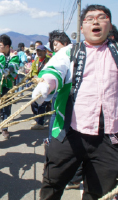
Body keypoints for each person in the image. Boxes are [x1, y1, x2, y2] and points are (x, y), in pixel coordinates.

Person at [32, 4, 118, 199]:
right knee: (52, 182)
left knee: (99, 191)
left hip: (108, 136)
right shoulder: (71, 51)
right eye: (89, 19)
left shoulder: (116, 52)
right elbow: (55, 69)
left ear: (110, 25)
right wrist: (46, 83)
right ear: (82, 28)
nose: (95, 21)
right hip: (70, 132)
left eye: (102, 17)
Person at [0, 34, 20, 139]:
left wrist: (9, 70)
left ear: (7, 47)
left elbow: (14, 65)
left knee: (7, 107)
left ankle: (5, 128)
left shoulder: (13, 56)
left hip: (8, 85)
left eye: (0, 45)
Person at [29, 45, 50, 130]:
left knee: (42, 103)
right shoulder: (36, 61)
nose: (39, 53)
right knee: (34, 102)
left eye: (41, 51)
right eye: (38, 51)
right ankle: (37, 119)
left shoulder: (49, 60)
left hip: (47, 85)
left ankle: (40, 123)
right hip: (37, 85)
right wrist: (35, 77)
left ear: (45, 51)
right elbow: (33, 72)